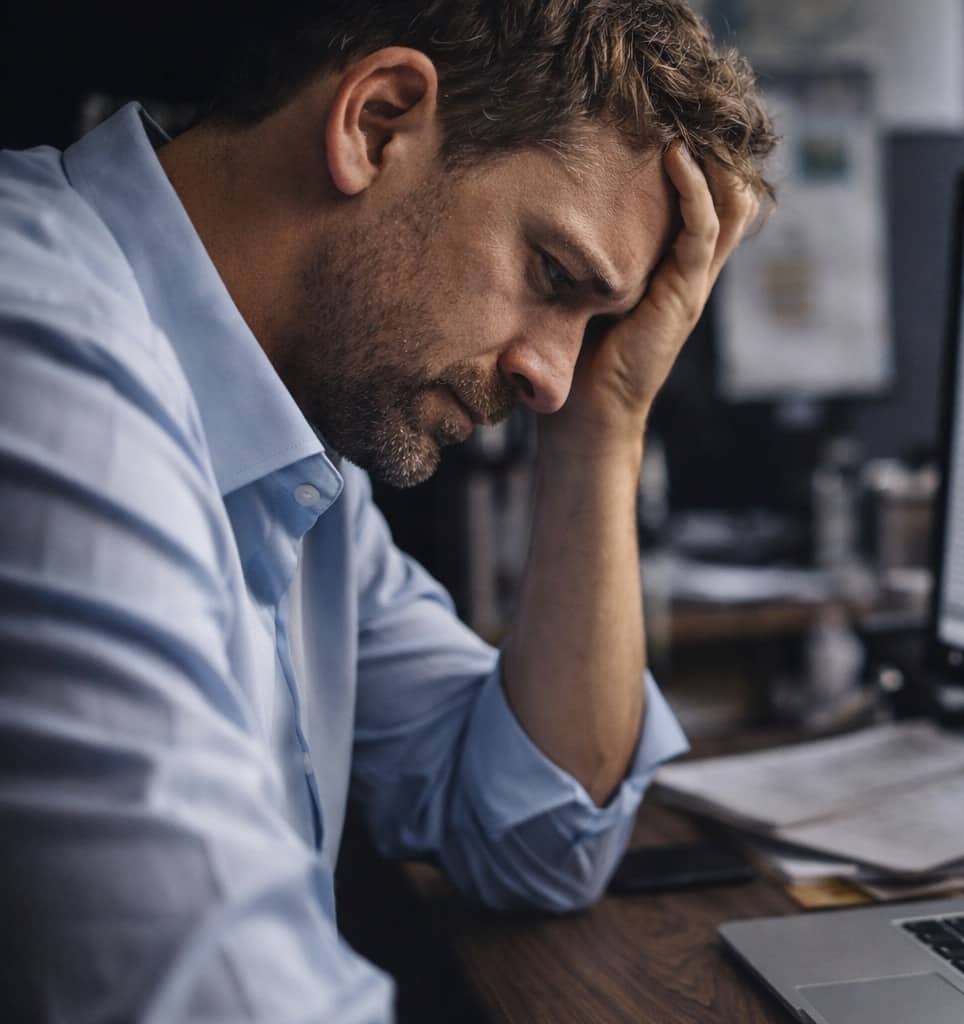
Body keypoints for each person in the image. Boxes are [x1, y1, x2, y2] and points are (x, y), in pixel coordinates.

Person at [0, 1, 775, 1018]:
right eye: (552, 275)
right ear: (378, 123)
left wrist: (608, 425)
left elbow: (535, 839)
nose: (553, 378)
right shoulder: (38, 341)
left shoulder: (301, 465)